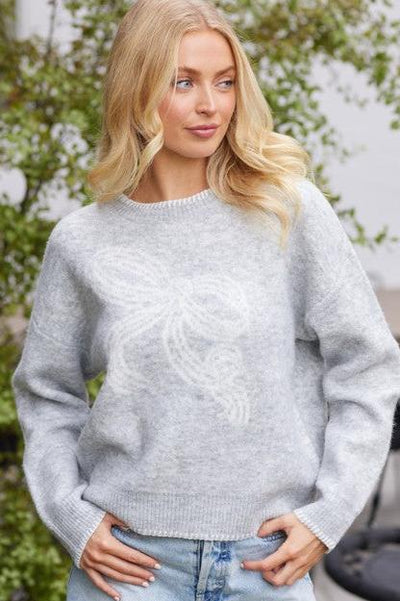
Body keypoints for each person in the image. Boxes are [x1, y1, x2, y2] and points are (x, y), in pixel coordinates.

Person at [11, 0, 400, 600]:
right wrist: (70, 514)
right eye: (183, 82)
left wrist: (328, 515)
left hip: (265, 568)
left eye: (224, 82)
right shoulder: (82, 241)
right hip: (129, 572)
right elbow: (47, 392)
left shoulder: (286, 212)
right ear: (136, 90)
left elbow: (368, 367)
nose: (210, 105)